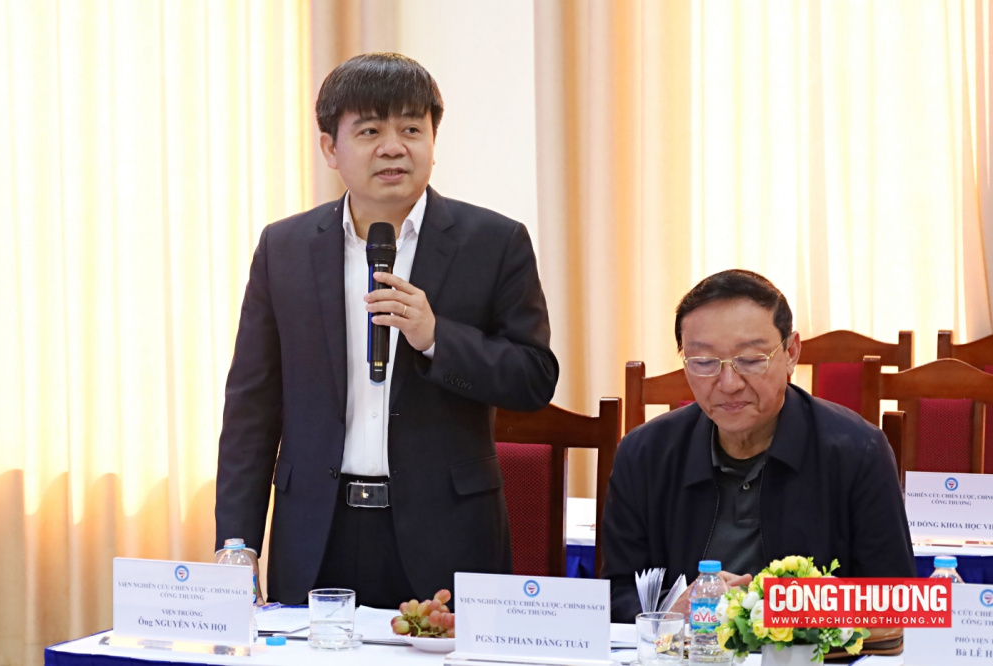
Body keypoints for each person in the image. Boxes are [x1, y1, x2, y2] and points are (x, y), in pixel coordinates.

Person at [215, 53, 558, 607]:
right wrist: (238, 540)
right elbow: (252, 405)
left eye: (411, 129)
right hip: (317, 531)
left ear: (433, 142)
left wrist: (437, 338)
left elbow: (534, 378)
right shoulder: (284, 248)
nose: (394, 147)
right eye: (370, 130)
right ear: (330, 148)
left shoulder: (494, 242)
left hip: (449, 535)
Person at [601, 269, 915, 623]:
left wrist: (777, 609)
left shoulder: (858, 451)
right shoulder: (644, 454)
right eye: (704, 363)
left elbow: (898, 602)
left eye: (750, 360)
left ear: (791, 353)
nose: (729, 383)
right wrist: (670, 614)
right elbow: (615, 594)